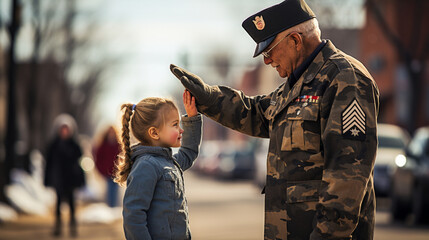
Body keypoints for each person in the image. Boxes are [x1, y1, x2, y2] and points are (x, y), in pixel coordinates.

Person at [169, 0, 379, 239]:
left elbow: (347, 176)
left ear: (295, 41)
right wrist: (208, 97)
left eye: (269, 51)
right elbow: (254, 112)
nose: (266, 61)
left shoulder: (345, 79)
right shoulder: (294, 86)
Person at [114, 91, 202, 240]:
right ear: (154, 133)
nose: (181, 130)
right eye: (175, 124)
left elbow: (189, 152)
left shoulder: (169, 162)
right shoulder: (146, 165)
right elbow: (133, 216)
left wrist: (192, 118)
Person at [44, 114, 85, 237]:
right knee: (58, 204)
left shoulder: (75, 145)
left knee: (72, 204)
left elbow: (80, 162)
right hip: (58, 179)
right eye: (62, 129)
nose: (64, 132)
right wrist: (48, 179)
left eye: (66, 129)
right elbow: (49, 163)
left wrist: (80, 179)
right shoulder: (53, 145)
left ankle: (73, 228)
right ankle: (57, 227)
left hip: (71, 179)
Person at [93, 126, 120, 207]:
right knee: (109, 192)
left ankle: (113, 207)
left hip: (117, 173)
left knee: (115, 192)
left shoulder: (118, 145)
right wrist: (102, 171)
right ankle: (109, 207)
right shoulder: (103, 145)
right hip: (107, 173)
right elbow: (98, 160)